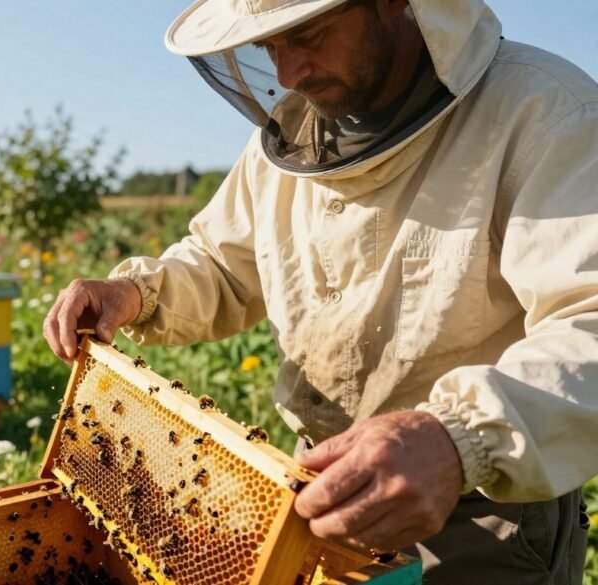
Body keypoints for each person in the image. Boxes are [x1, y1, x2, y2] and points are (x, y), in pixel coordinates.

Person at [43, 0, 598, 582]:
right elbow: (222, 263)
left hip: (482, 507)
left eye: (308, 34)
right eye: (268, 48)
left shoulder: (550, 114)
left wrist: (457, 438)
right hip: (316, 495)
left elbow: (588, 326)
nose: (287, 73)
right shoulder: (299, 129)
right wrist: (135, 293)